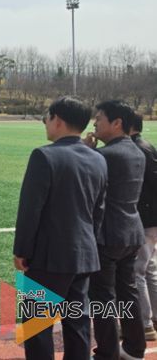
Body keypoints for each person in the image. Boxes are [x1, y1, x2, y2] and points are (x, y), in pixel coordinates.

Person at [13, 96, 107, 359]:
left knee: (37, 326)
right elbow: (99, 210)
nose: (46, 123)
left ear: (58, 120)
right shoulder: (98, 159)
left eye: (48, 117)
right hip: (84, 254)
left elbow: (30, 209)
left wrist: (22, 250)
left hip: (48, 256)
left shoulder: (44, 155)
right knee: (78, 322)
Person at [83, 100, 146, 360]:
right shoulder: (137, 152)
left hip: (108, 235)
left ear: (117, 123)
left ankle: (107, 352)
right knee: (127, 292)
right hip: (131, 232)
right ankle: (134, 347)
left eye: (99, 118)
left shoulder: (105, 155)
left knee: (102, 297)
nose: (95, 123)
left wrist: (87, 151)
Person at [130, 112, 157, 341]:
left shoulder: (135, 149)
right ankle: (153, 318)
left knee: (137, 270)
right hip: (152, 218)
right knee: (149, 268)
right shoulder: (147, 146)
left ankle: (145, 324)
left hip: (144, 218)